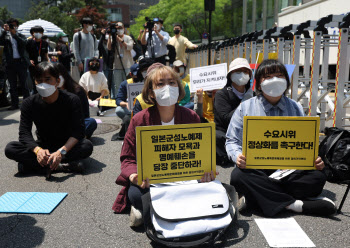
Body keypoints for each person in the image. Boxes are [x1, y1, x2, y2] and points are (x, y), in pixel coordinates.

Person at [227, 59, 336, 217]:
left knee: (317, 177)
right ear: (258, 83)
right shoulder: (246, 107)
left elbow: (305, 142)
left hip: (288, 170)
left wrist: (314, 159)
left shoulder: (295, 107)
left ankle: (256, 196)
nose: (274, 80)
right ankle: (295, 205)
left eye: (279, 75)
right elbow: (232, 140)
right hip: (257, 168)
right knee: (237, 176)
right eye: (268, 77)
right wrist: (237, 156)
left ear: (287, 80)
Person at [112, 63, 216, 227]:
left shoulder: (191, 117)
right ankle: (157, 209)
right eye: (160, 84)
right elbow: (127, 158)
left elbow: (202, 154)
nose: (167, 87)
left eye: (172, 82)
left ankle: (149, 212)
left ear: (179, 87)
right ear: (151, 92)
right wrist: (134, 176)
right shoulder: (139, 120)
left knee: (212, 187)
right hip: (152, 182)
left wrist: (206, 172)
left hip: (186, 179)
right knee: (135, 193)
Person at [4, 62, 93, 177]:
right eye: (39, 80)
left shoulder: (72, 100)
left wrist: (61, 152)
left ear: (57, 81)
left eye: (48, 79)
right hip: (43, 146)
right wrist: (37, 151)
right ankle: (62, 166)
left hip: (66, 146)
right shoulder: (28, 103)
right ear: (34, 82)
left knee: (87, 146)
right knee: (10, 148)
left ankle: (37, 166)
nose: (43, 84)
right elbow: (24, 133)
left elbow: (78, 132)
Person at [214, 58, 253, 166]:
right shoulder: (221, 94)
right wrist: (243, 104)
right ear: (230, 75)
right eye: (238, 71)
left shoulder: (253, 94)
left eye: (245, 71)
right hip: (226, 133)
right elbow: (226, 119)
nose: (242, 74)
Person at [55, 63, 97, 139]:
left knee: (91, 122)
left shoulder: (77, 90)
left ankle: (75, 138)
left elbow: (84, 114)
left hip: (75, 122)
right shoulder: (51, 90)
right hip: (58, 124)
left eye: (58, 76)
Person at [0, 18, 30, 110]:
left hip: (21, 63)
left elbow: (24, 43)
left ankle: (27, 103)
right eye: (11, 25)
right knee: (12, 86)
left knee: (24, 84)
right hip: (10, 64)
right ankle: (14, 104)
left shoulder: (20, 35)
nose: (13, 27)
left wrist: (15, 34)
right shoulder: (5, 36)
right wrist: (5, 32)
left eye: (15, 25)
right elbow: (0, 42)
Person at [111, 63, 141, 141]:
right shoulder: (125, 83)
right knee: (118, 110)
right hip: (130, 108)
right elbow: (118, 100)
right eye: (136, 74)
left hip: (143, 107)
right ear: (131, 74)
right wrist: (126, 104)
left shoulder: (146, 82)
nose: (138, 76)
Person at [107, 22, 134, 99]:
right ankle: (119, 100)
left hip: (127, 65)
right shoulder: (113, 38)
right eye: (117, 28)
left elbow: (130, 47)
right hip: (117, 66)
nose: (119, 30)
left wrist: (121, 40)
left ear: (123, 28)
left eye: (120, 28)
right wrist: (109, 36)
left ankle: (129, 99)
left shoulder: (128, 37)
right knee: (118, 85)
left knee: (129, 84)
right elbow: (109, 48)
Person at [26, 25, 49, 93]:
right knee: (34, 82)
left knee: (42, 81)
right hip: (32, 65)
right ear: (32, 33)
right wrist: (29, 60)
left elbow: (46, 54)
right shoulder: (29, 42)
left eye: (40, 32)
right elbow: (26, 53)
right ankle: (35, 95)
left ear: (42, 33)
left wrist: (48, 62)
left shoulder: (45, 43)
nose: (38, 34)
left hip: (42, 65)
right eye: (36, 32)